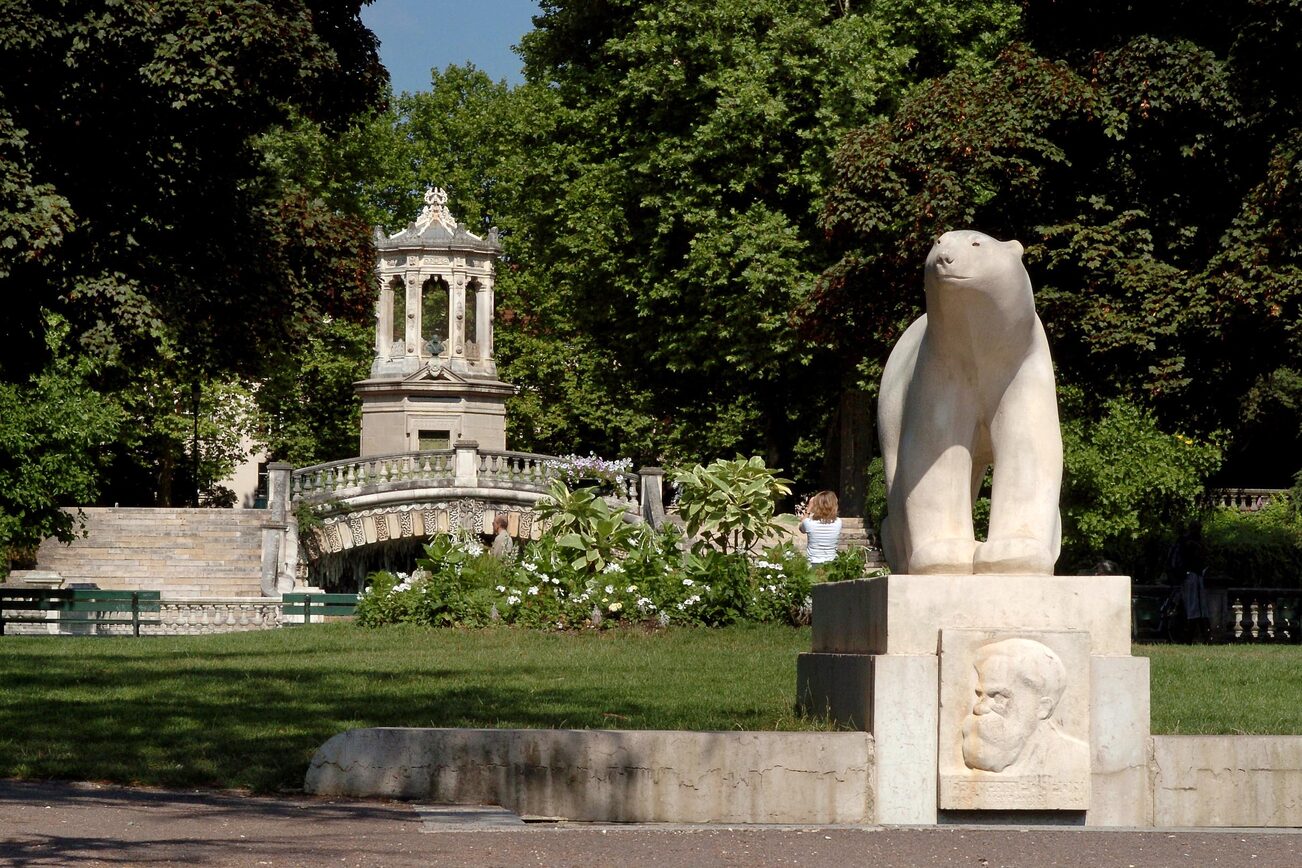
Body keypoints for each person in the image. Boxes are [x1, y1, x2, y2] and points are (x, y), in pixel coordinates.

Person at [960, 638, 1089, 777]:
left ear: (1042, 708)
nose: (980, 708)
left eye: (999, 697)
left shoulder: (1074, 760)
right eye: (980, 695)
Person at [799, 490, 842, 567]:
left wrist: (809, 509)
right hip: (831, 562)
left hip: (813, 562)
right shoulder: (838, 522)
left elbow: (801, 528)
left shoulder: (808, 522)